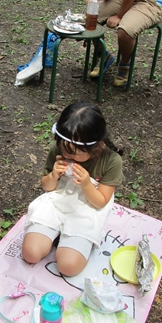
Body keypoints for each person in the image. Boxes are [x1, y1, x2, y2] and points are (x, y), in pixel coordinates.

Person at [22, 102, 124, 277]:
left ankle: (73, 240)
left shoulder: (111, 161)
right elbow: (47, 187)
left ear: (95, 146)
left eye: (74, 153)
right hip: (58, 202)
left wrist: (86, 184)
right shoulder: (61, 148)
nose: (68, 156)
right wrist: (53, 176)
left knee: (68, 267)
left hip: (87, 209)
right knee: (30, 254)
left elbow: (100, 202)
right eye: (64, 150)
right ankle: (54, 234)